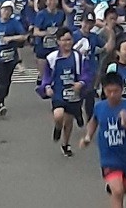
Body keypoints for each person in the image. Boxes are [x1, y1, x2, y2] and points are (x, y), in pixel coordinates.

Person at [79, 73, 126, 208]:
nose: (112, 95)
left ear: (122, 90)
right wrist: (88, 137)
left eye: (115, 91)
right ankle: (114, 187)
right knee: (118, 191)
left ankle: (113, 187)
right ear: (103, 90)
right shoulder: (99, 107)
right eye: (108, 91)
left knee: (123, 190)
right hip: (108, 158)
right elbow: (94, 121)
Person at [42, 27, 91, 157]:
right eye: (64, 40)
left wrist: (81, 83)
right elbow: (46, 76)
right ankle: (57, 127)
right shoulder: (52, 58)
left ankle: (66, 144)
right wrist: (47, 87)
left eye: (69, 40)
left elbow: (86, 73)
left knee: (68, 122)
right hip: (58, 93)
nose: (67, 43)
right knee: (58, 115)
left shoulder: (78, 57)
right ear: (58, 41)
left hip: (73, 95)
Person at [0, 0, 28, 116]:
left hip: (11, 57)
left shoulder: (14, 23)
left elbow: (23, 36)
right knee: (1, 79)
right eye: (4, 9)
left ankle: (3, 96)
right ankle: (1, 103)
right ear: (0, 10)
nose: (6, 12)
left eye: (9, 10)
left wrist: (11, 38)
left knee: (7, 80)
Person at [73, 11, 116, 122]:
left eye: (91, 23)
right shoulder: (74, 35)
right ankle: (77, 112)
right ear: (81, 22)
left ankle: (90, 120)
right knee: (77, 96)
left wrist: (110, 33)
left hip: (90, 70)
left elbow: (108, 48)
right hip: (77, 69)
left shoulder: (94, 37)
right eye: (86, 22)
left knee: (90, 95)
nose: (88, 26)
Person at [33, 0, 65, 85]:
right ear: (46, 2)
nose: (52, 2)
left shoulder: (61, 14)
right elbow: (36, 32)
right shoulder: (41, 14)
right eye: (50, 0)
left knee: (56, 71)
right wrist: (47, 33)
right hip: (43, 46)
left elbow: (63, 28)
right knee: (43, 75)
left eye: (54, 0)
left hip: (55, 46)